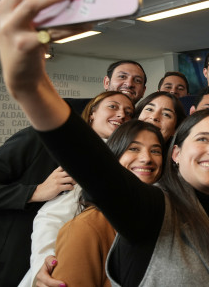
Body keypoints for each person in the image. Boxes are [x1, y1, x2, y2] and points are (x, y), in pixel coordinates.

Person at [0, 0, 209, 284]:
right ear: (175, 152)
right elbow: (95, 167)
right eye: (202, 139)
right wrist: (30, 86)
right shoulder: (151, 210)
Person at [0, 90, 132, 286]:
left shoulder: (117, 163)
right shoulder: (39, 139)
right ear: (92, 114)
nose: (122, 114)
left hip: (56, 266)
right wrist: (35, 192)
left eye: (129, 112)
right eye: (113, 106)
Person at [25, 91, 185, 286]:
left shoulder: (179, 187)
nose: (154, 116)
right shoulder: (89, 220)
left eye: (167, 114)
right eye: (149, 109)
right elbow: (51, 220)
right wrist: (46, 263)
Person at [51, 120, 165, 287]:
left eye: (155, 151)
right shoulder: (85, 227)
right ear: (113, 156)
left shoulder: (166, 216)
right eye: (133, 148)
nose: (146, 158)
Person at [66, 59, 147, 113]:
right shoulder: (70, 108)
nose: (129, 84)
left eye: (137, 80)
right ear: (107, 82)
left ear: (143, 91)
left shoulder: (142, 121)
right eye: (122, 77)